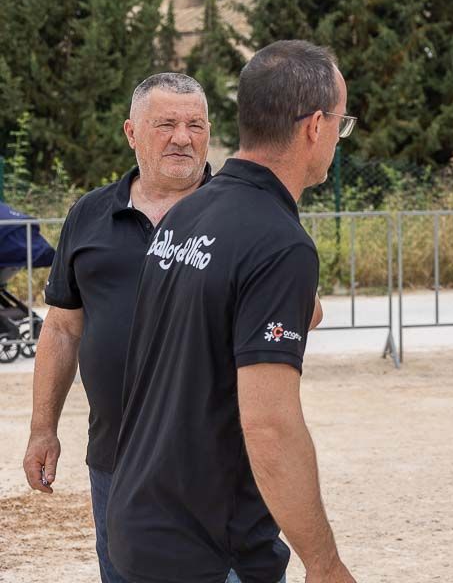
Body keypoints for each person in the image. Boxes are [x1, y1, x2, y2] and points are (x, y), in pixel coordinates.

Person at [105, 41, 353, 583]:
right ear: (315, 126)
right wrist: (325, 564)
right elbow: (270, 424)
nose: (339, 136)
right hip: (210, 547)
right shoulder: (279, 242)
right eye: (341, 122)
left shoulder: (187, 212)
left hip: (137, 519)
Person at [24, 73, 213, 583]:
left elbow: (304, 308)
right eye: (166, 124)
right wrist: (43, 429)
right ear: (131, 133)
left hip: (219, 463)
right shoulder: (89, 214)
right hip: (115, 461)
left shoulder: (239, 211)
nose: (183, 137)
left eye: (196, 124)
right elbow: (63, 329)